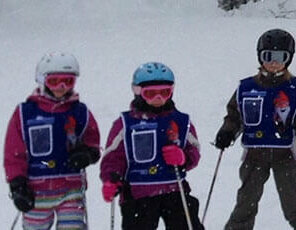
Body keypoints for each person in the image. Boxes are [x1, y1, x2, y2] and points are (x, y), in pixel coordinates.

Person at [214, 28, 296, 230]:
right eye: (268, 56)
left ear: (288, 59)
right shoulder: (247, 87)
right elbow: (235, 115)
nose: (274, 62)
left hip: (285, 154)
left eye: (281, 57)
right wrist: (227, 131)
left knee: (294, 203)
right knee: (246, 202)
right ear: (260, 56)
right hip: (255, 154)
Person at [100, 62, 204, 230]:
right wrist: (112, 178)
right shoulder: (126, 123)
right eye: (151, 93)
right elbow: (113, 156)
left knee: (186, 223)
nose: (158, 99)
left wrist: (183, 158)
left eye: (164, 92)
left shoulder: (181, 121)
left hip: (174, 189)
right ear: (137, 92)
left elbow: (194, 149)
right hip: (138, 192)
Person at [4, 52, 101, 230]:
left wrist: (87, 153)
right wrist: (17, 184)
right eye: (54, 81)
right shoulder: (25, 113)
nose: (62, 87)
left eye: (68, 81)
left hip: (71, 188)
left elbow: (93, 140)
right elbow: (14, 153)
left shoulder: (79, 111)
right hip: (36, 190)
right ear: (42, 81)